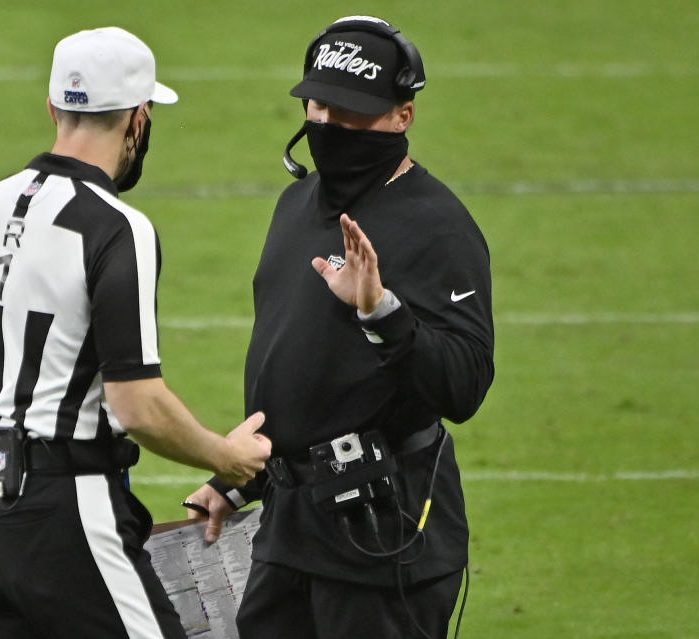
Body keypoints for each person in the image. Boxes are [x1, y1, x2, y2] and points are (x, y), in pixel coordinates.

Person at [0, 27, 271, 639]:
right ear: (139, 117)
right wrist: (226, 458)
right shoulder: (117, 227)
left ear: (53, 108)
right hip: (70, 514)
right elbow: (138, 405)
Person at [183, 16, 494, 639]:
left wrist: (382, 310)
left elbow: (463, 387)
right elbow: (299, 369)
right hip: (290, 530)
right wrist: (237, 481)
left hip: (385, 536)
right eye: (318, 105)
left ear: (402, 116)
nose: (327, 125)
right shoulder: (296, 205)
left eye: (350, 113)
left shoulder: (439, 227)